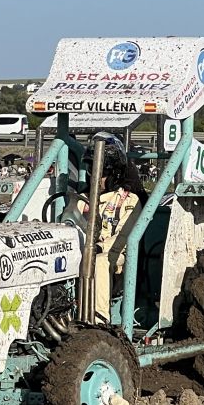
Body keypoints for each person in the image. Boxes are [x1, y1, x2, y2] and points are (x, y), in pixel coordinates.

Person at [83, 132, 142, 323]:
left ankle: (100, 320)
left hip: (119, 257)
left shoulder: (129, 200)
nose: (95, 177)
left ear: (114, 174)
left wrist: (100, 246)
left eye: (101, 173)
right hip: (84, 251)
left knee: (99, 261)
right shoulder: (80, 200)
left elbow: (125, 236)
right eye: (91, 170)